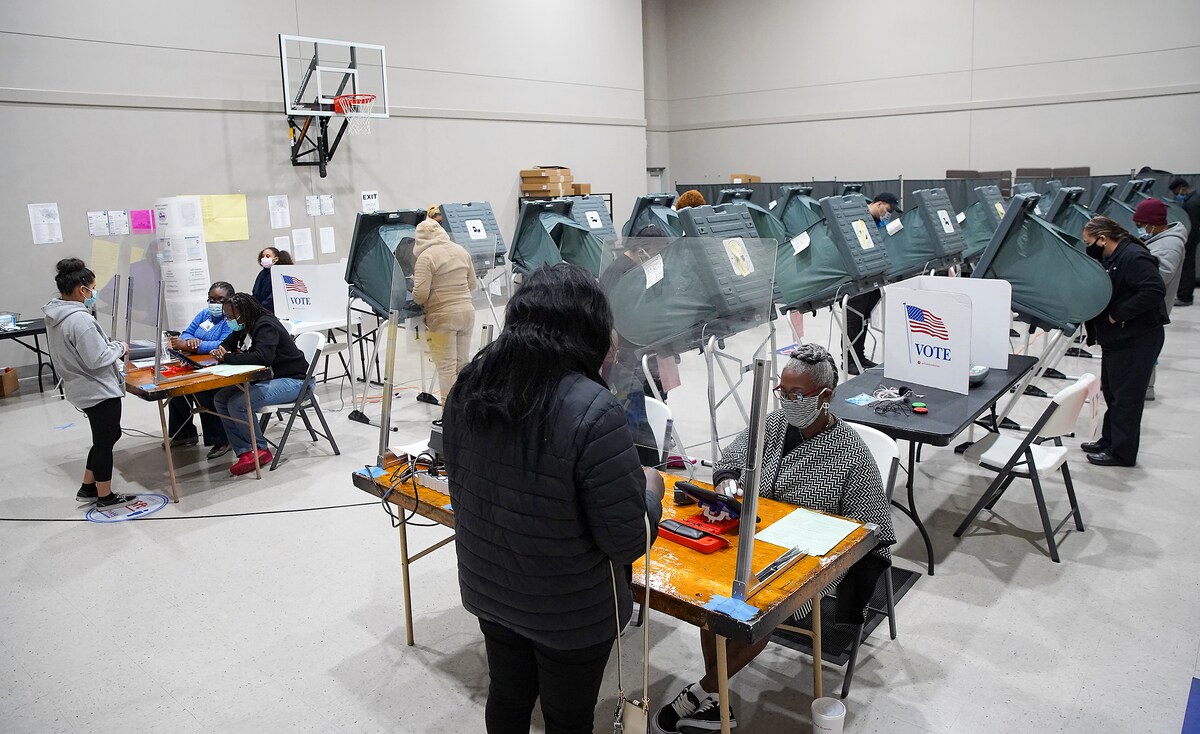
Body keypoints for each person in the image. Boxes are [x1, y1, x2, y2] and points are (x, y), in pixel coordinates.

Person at [441, 264, 665, 734]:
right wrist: (652, 487)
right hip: (569, 611)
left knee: (507, 695)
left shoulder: (470, 385)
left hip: (491, 588)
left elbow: (463, 490)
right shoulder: (592, 408)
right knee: (567, 719)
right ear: (587, 328)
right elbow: (627, 539)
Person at [653, 344, 895, 733]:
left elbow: (871, 531)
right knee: (715, 596)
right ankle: (717, 699)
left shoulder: (852, 454)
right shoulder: (774, 424)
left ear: (825, 397)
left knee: (758, 610)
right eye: (782, 391)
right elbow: (733, 457)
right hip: (755, 539)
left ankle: (701, 692)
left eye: (797, 395)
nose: (787, 401)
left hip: (811, 560)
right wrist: (728, 481)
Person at [42, 259, 136, 509]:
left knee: (108, 435)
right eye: (93, 288)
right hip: (96, 388)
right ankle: (104, 496)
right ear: (82, 289)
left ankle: (87, 486)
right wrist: (119, 346)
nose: (94, 293)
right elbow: (97, 358)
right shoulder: (79, 320)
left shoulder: (56, 313)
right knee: (105, 442)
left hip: (80, 385)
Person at [1080, 217, 1168, 467]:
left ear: (1103, 238)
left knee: (1126, 397)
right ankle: (1109, 440)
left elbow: (1154, 290)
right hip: (1119, 338)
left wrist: (1116, 314)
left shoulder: (1134, 257)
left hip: (1136, 338)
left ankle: (1121, 453)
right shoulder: (1116, 257)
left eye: (1089, 242)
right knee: (1113, 392)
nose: (1089, 247)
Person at [198, 293, 309, 475]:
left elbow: (262, 357)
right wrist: (223, 348)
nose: (230, 320)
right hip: (273, 378)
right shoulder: (247, 323)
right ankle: (244, 451)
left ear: (245, 313)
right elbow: (231, 340)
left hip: (295, 381)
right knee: (220, 399)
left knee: (238, 403)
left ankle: (260, 450)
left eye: (233, 317)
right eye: (228, 317)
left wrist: (227, 357)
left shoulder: (265, 325)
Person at [164, 281, 235, 456]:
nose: (215, 304)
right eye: (211, 299)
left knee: (204, 390)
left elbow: (223, 343)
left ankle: (221, 439)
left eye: (220, 300)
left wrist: (196, 345)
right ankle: (183, 433)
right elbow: (187, 333)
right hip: (196, 362)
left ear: (229, 300)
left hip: (220, 365)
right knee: (176, 388)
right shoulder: (204, 314)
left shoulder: (231, 318)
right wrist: (189, 342)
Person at [411, 218, 476, 406]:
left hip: (442, 316)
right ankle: (463, 409)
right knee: (462, 365)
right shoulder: (461, 250)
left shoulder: (426, 257)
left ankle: (448, 415)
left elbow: (420, 295)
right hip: (467, 312)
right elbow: (472, 284)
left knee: (446, 368)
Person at [1133, 199, 1185, 400]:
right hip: (1153, 306)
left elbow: (1158, 279)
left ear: (1152, 223)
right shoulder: (1163, 238)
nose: (1141, 228)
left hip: (1152, 307)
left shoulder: (1169, 245)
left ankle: (1145, 389)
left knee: (1144, 350)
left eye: (1141, 224)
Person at [844, 192, 901, 374]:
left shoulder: (876, 222)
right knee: (854, 318)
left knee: (864, 318)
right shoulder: (859, 218)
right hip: (856, 277)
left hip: (872, 276)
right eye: (888, 210)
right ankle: (849, 360)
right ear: (879, 204)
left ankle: (859, 356)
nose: (888, 214)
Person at [1168, 177, 1199, 306]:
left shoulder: (1192, 203)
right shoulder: (1194, 198)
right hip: (1193, 236)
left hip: (1191, 237)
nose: (1177, 196)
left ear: (1182, 188)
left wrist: (1184, 243)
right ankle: (1184, 295)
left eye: (1177, 193)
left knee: (1187, 266)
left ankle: (1185, 297)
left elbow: (1191, 225)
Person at [250, 246, 294, 314]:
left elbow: (274, 296)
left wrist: (261, 307)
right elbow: (256, 292)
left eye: (268, 256)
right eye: (263, 256)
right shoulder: (262, 273)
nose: (264, 258)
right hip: (261, 310)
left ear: (276, 259)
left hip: (273, 310)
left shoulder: (279, 274)